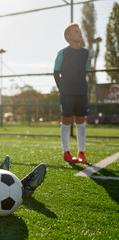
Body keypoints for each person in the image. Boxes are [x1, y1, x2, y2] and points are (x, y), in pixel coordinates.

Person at [54, 23, 90, 164]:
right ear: (68, 37)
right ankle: (66, 152)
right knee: (66, 119)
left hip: (81, 90)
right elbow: (56, 72)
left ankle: (81, 152)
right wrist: (62, 88)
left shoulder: (85, 53)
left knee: (80, 120)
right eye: (76, 31)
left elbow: (85, 70)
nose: (79, 33)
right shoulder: (63, 53)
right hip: (66, 91)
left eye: (80, 31)